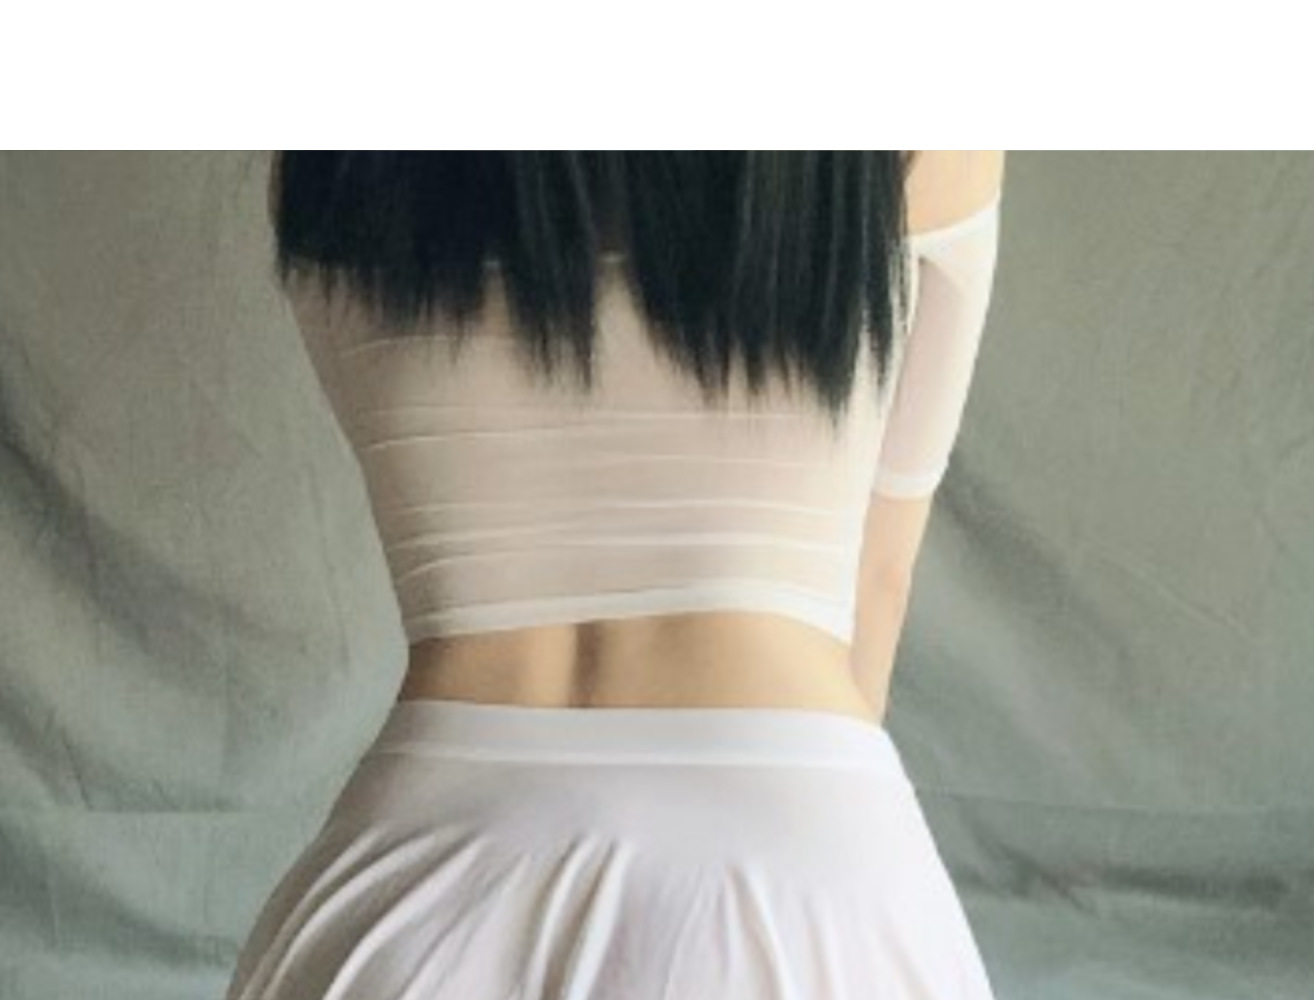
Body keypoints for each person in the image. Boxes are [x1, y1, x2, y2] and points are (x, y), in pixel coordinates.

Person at [225, 150, 1006, 999]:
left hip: (405, 895)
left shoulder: (330, 161)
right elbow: (879, 580)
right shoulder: (931, 143)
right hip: (803, 880)